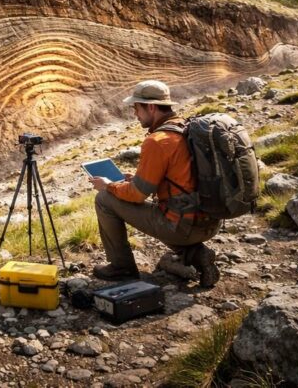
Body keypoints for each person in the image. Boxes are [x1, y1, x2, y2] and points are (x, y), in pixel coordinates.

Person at [88, 80, 221, 287]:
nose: (135, 114)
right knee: (162, 209)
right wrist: (137, 179)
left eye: (136, 108)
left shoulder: (158, 140)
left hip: (183, 226)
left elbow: (137, 195)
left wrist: (108, 185)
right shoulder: (186, 128)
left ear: (150, 107)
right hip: (210, 220)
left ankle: (121, 267)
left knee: (104, 199)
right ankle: (197, 255)